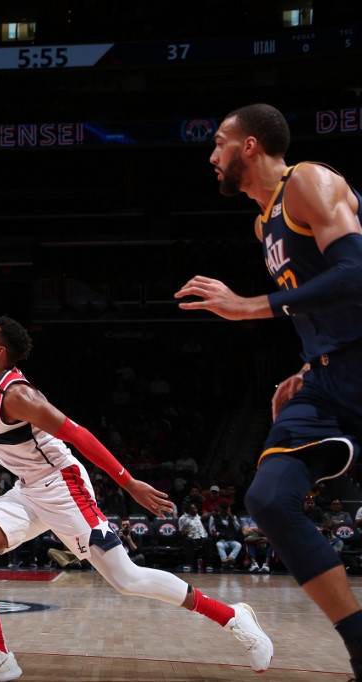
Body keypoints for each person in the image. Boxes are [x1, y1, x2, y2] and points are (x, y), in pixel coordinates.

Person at [0, 236, 272, 681]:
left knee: (127, 579)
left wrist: (128, 482)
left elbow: (78, 434)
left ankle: (233, 616)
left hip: (62, 486)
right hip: (28, 489)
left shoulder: (20, 396)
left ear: (0, 351)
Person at [175, 102, 362, 679]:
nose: (212, 155)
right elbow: (322, 304)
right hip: (328, 379)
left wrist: (251, 306)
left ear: (249, 145)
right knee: (269, 499)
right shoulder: (264, 224)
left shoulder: (309, 180)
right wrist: (307, 364)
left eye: (220, 142)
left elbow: (354, 273)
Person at [209, 502, 243, 571]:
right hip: (221, 540)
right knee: (219, 545)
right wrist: (220, 534)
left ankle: (226, 563)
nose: (225, 513)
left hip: (232, 540)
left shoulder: (233, 517)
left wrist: (233, 520)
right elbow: (212, 531)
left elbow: (238, 529)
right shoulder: (213, 517)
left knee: (238, 545)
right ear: (220, 509)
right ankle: (228, 563)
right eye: (223, 511)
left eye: (226, 511)